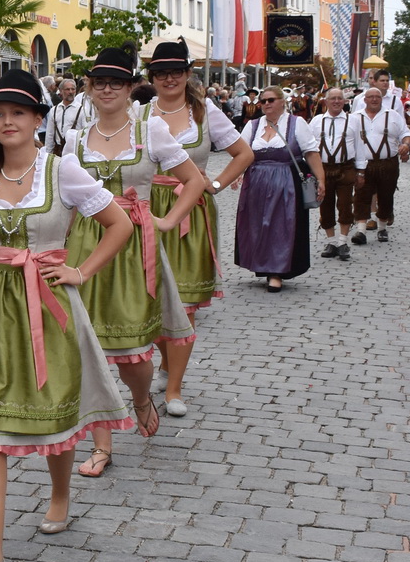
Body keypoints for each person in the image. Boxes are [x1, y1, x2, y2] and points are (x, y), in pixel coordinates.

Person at [0, 69, 133, 562]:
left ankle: (61, 493)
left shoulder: (62, 171)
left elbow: (121, 224)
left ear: (37, 120)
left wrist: (80, 270)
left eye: (17, 113)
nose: (7, 122)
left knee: (52, 412)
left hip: (49, 303)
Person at [62, 47, 205, 476]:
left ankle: (141, 398)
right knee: (86, 349)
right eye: (99, 82)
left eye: (117, 83)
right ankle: (101, 444)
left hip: (133, 248)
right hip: (85, 246)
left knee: (133, 354)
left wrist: (165, 222)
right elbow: (67, 200)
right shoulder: (75, 138)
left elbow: (194, 182)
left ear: (129, 89)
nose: (107, 89)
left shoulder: (151, 131)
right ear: (88, 88)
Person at [144, 41, 252, 416]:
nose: (169, 78)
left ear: (187, 74)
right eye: (161, 73)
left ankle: (174, 388)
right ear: (152, 78)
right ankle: (166, 361)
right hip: (147, 212)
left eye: (175, 71)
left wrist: (216, 184)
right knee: (149, 301)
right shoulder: (139, 115)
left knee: (185, 306)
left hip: (192, 213)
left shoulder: (206, 114)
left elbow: (245, 154)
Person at [235, 88, 326, 291]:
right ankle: (263, 265)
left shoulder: (296, 123)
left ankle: (276, 271)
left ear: (282, 102)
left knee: (280, 226)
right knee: (258, 225)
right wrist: (236, 174)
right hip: (256, 183)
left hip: (286, 183)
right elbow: (241, 153)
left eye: (271, 100)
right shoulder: (253, 125)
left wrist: (321, 179)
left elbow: (311, 153)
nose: (266, 104)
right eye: (263, 101)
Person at [349, 84, 410, 244]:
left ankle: (382, 228)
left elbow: (406, 133)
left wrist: (406, 144)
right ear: (365, 100)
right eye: (371, 97)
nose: (374, 99)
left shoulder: (393, 116)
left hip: (388, 164)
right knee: (361, 196)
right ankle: (360, 231)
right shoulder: (355, 117)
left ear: (382, 99)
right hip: (363, 164)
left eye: (377, 97)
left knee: (386, 196)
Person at [311, 88, 360, 260]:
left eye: (340, 98)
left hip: (346, 167)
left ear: (345, 101)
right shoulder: (316, 121)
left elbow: (359, 146)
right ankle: (331, 241)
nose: (337, 101)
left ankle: (343, 241)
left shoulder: (353, 121)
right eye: (333, 98)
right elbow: (309, 147)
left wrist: (360, 171)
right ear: (326, 101)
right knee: (325, 204)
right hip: (322, 168)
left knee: (346, 204)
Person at [45, 77, 89, 155]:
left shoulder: (82, 110)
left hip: (75, 152)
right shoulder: (54, 110)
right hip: (57, 151)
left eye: (73, 89)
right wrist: (48, 154)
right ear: (61, 91)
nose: (71, 92)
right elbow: (50, 134)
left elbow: (86, 134)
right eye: (67, 89)